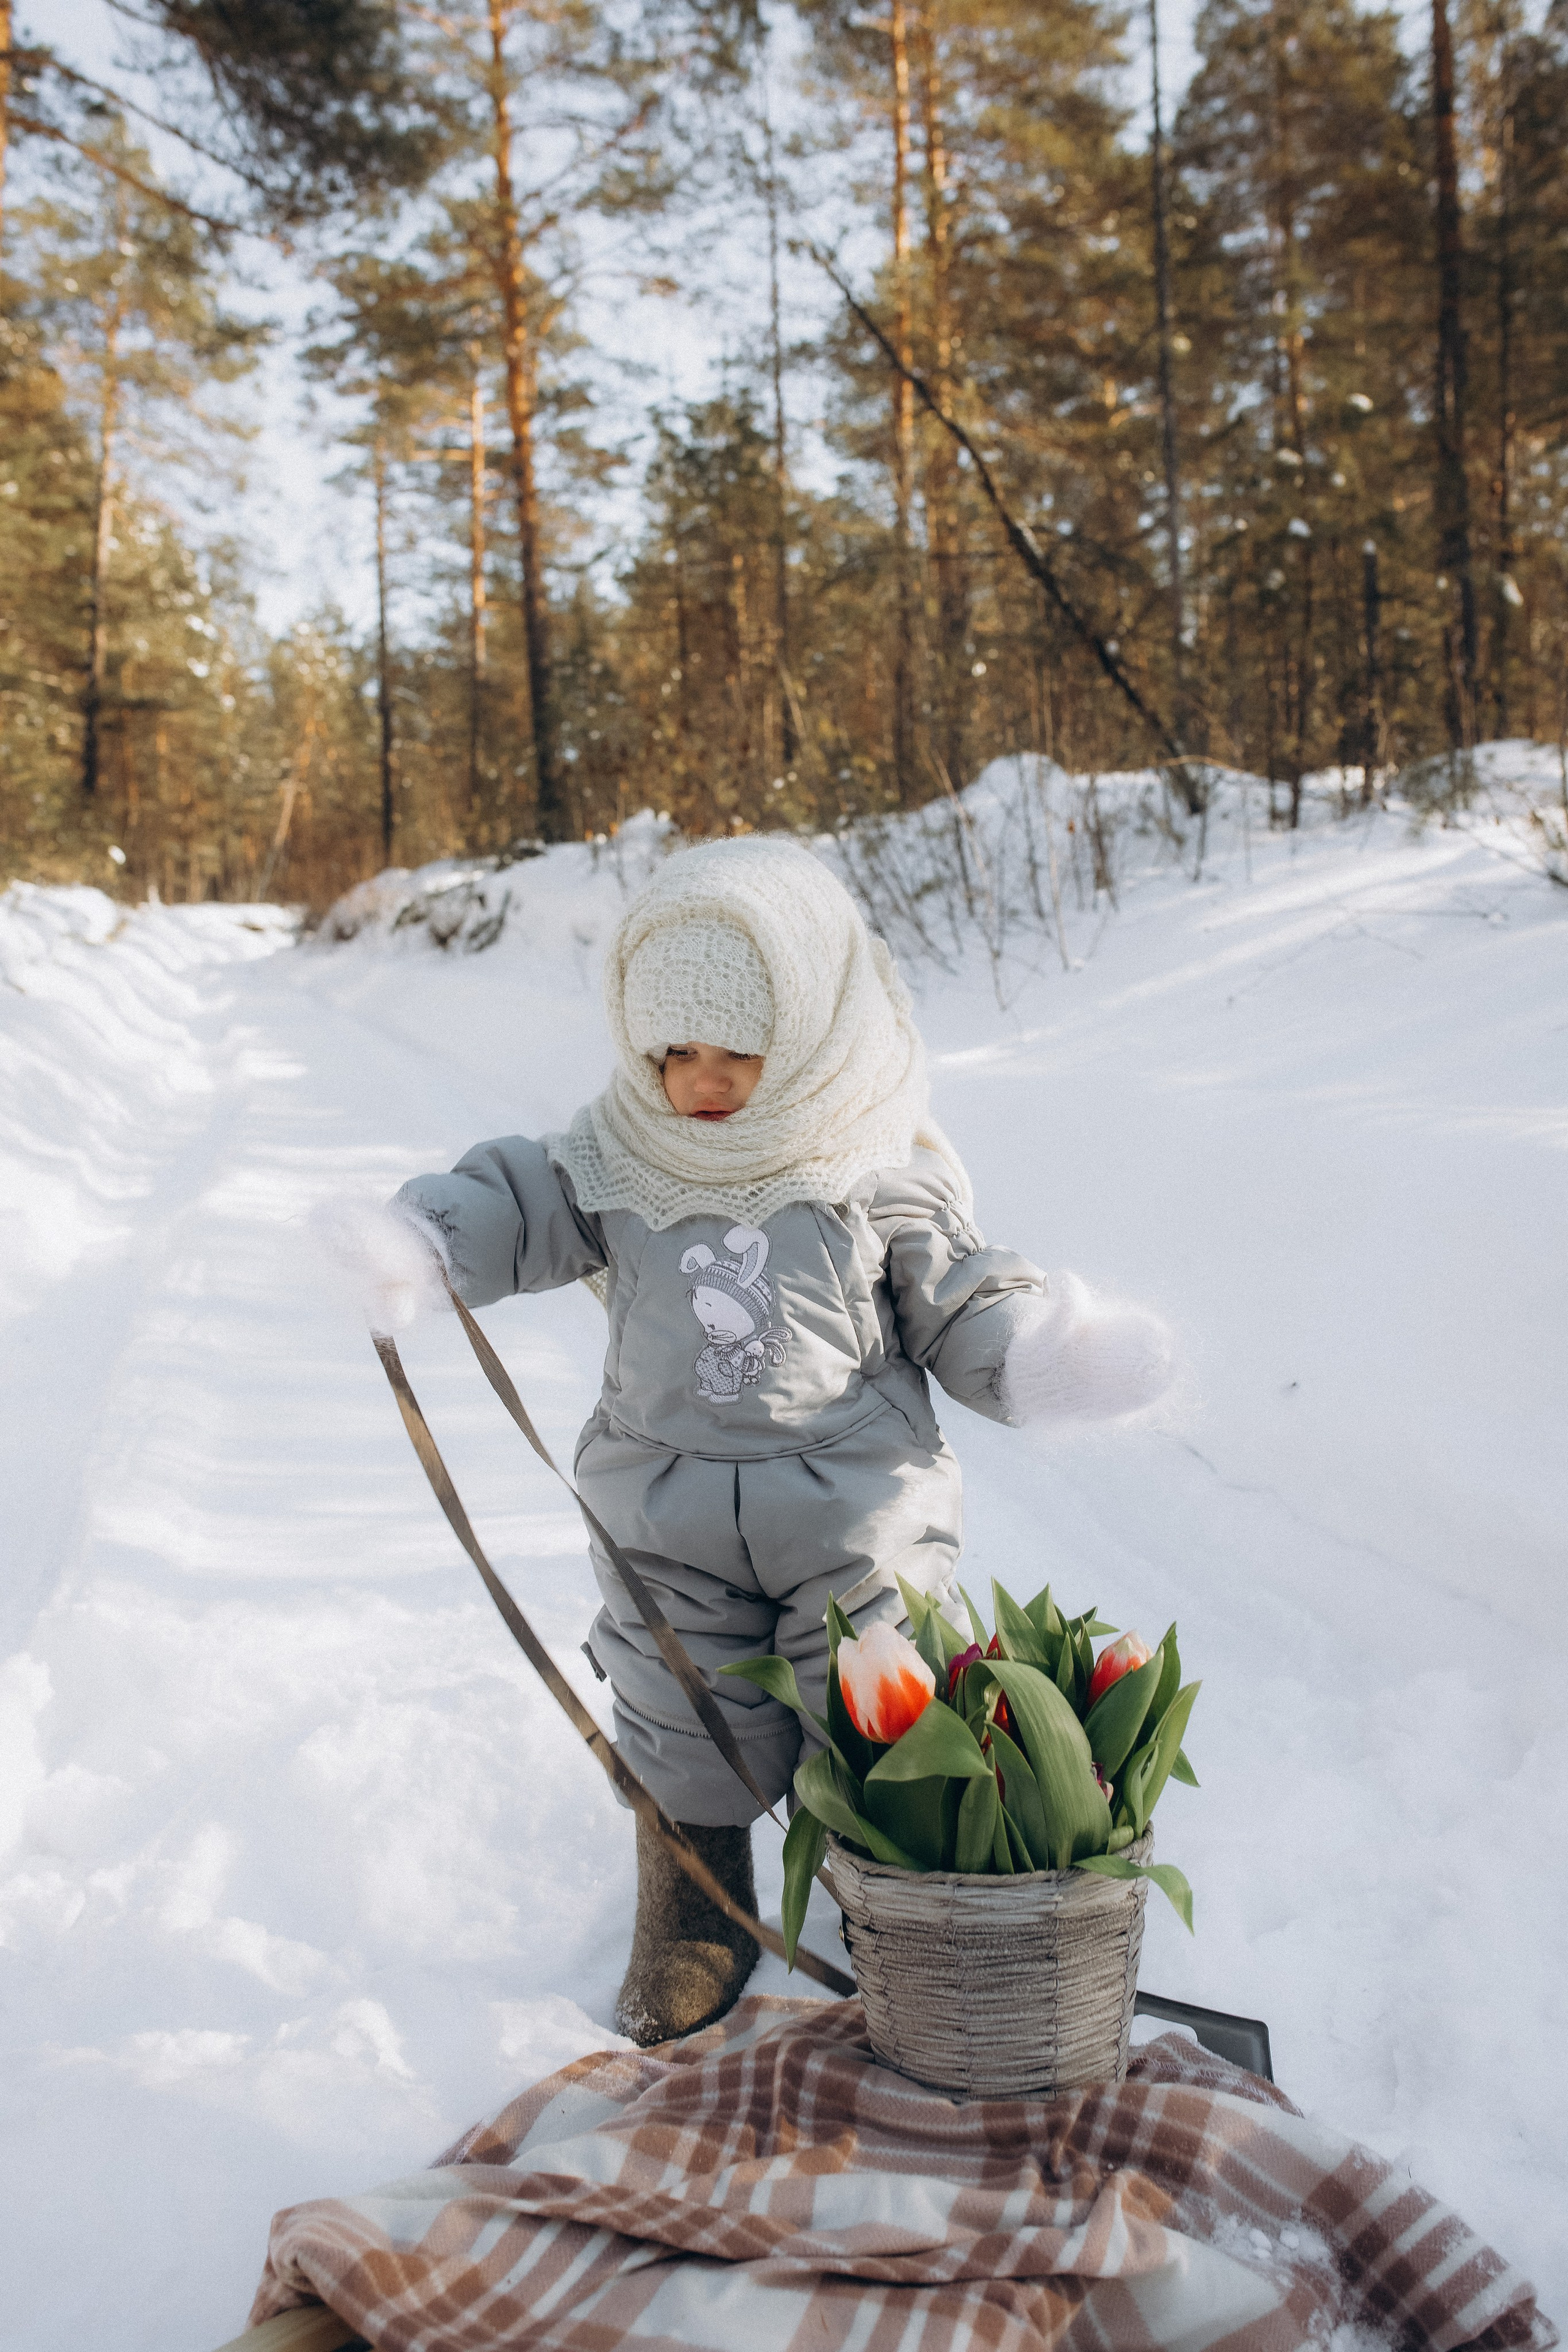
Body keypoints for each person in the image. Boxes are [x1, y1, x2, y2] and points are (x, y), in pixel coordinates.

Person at [330, 837, 1174, 2046]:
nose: (705, 1083)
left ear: (814, 1035)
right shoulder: (620, 1155)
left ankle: (891, 1895)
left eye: (738, 1052)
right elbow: (517, 1200)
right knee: (679, 1699)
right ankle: (697, 1899)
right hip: (663, 1506)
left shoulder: (870, 1163)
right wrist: (422, 1242)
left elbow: (958, 1297)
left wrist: (1047, 1356)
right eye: (675, 1054)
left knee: (874, 1696)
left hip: (853, 1509)